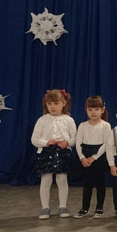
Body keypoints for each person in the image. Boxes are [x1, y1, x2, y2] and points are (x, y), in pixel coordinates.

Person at [31, 89, 77, 220]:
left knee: (62, 179)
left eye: (56, 103)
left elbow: (75, 138)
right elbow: (34, 139)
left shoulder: (69, 120)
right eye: (49, 103)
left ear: (64, 103)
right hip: (46, 152)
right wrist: (46, 142)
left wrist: (67, 143)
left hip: (63, 152)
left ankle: (63, 206)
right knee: (46, 180)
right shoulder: (42, 120)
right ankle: (45, 207)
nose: (52, 106)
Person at [74, 95, 111, 218]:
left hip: (99, 156)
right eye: (90, 109)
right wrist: (82, 158)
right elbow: (78, 143)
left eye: (96, 109)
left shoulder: (106, 125)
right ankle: (85, 208)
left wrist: (94, 157)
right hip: (85, 155)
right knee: (87, 184)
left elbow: (106, 144)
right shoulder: (82, 125)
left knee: (100, 183)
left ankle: (99, 208)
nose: (93, 112)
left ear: (102, 109)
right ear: (86, 110)